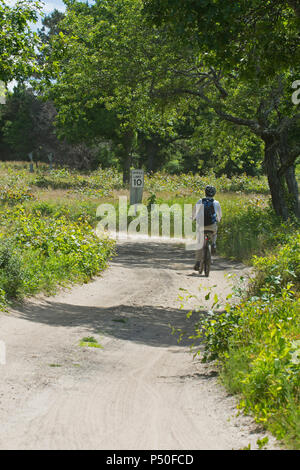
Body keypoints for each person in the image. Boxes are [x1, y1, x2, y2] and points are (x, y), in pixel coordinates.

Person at [192, 185, 222, 272]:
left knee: (199, 243)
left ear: (205, 192)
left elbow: (194, 212)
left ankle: (198, 262)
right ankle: (213, 243)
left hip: (201, 226)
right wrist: (218, 220)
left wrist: (193, 218)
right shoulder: (216, 203)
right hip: (212, 226)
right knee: (214, 232)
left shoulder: (200, 201)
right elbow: (219, 216)